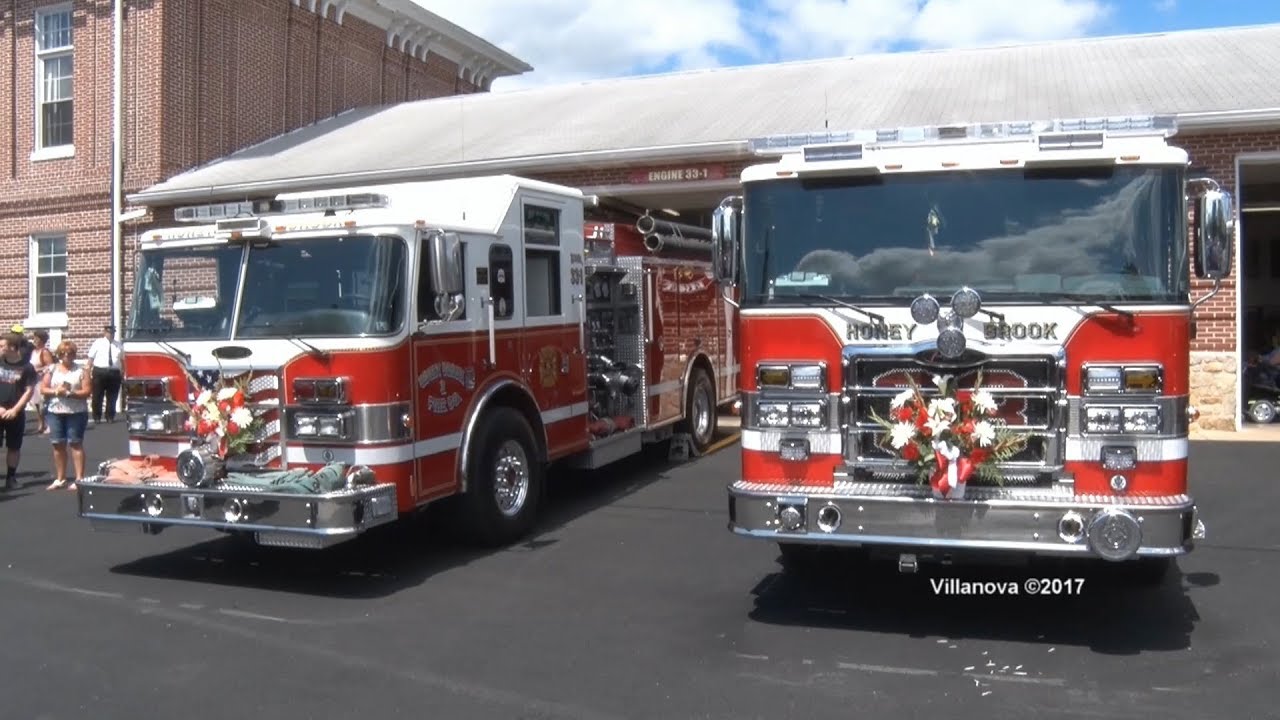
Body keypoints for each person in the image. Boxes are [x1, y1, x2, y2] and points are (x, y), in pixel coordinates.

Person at [42, 340, 91, 490]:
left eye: (70, 353)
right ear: (59, 355)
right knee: (57, 444)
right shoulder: (52, 369)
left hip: (75, 411)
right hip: (55, 411)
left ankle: (79, 478)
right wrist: (56, 391)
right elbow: (43, 389)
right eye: (63, 353)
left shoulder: (81, 371)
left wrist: (70, 393)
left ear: (74, 355)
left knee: (75, 443)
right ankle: (60, 478)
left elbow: (87, 392)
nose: (67, 356)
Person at [0, 332, 37, 491]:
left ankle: (11, 478)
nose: (0, 349)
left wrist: (15, 410)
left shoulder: (27, 367)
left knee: (14, 446)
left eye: (2, 346)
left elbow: (28, 391)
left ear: (12, 347)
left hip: (16, 411)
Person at [87, 324, 123, 424]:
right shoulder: (98, 343)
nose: (111, 334)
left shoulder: (119, 345)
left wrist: (123, 372)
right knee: (97, 395)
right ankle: (97, 416)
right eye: (109, 332)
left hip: (114, 372)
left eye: (113, 332)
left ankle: (110, 416)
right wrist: (87, 371)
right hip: (100, 372)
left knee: (113, 396)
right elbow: (91, 358)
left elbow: (122, 360)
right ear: (105, 332)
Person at [29, 330, 54, 434]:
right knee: (37, 404)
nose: (34, 340)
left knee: (44, 403)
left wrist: (38, 370)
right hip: (34, 380)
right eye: (34, 337)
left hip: (42, 379)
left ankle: (49, 424)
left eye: (37, 338)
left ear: (42, 340)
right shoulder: (34, 351)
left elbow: (50, 366)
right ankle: (41, 423)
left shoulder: (44, 352)